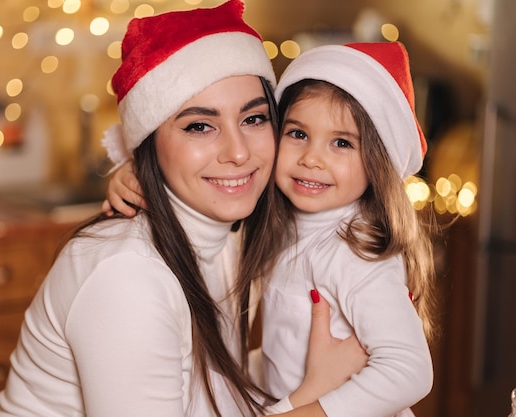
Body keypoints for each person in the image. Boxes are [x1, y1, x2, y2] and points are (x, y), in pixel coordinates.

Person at [0, 2, 366, 417]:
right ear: (148, 142)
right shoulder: (129, 276)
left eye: (254, 119)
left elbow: (210, 389)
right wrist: (315, 396)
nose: (238, 152)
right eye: (199, 126)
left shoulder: (225, 238)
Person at [103, 42, 437, 417]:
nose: (312, 158)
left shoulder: (355, 250)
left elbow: (411, 371)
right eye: (298, 134)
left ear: (378, 162)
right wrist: (135, 174)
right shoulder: (285, 218)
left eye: (341, 143)